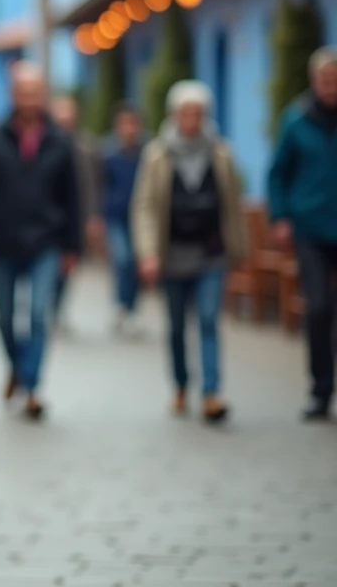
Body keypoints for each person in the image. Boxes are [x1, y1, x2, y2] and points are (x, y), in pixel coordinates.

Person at [0, 62, 81, 420]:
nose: (29, 98)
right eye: (22, 91)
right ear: (13, 94)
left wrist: (73, 247)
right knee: (3, 317)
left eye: (35, 91)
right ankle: (17, 367)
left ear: (42, 94)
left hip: (46, 242)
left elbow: (73, 196)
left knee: (38, 316)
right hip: (4, 241)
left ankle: (31, 386)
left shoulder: (60, 142)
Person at [131, 80, 247, 423]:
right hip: (173, 253)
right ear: (174, 115)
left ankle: (211, 393)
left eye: (197, 113)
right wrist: (148, 253)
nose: (191, 120)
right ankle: (182, 384)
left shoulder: (221, 153)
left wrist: (239, 249)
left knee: (209, 320)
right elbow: (145, 205)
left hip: (211, 252)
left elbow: (232, 204)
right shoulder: (157, 154)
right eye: (185, 113)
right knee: (178, 326)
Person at [268, 46, 337, 421]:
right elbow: (278, 173)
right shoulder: (296, 121)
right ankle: (321, 390)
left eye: (335, 79)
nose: (331, 86)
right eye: (325, 79)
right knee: (319, 307)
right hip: (310, 227)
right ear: (315, 81)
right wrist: (281, 216)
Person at [48, 95, 103, 330]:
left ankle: (56, 308)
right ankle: (46, 309)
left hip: (76, 218)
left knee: (67, 268)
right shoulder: (44, 145)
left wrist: (92, 217)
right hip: (48, 220)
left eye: (68, 118)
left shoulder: (86, 146)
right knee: (47, 267)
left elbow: (94, 184)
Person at [101, 104, 146, 328]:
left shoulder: (146, 153)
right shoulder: (108, 153)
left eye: (132, 123)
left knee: (136, 262)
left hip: (140, 219)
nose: (128, 129)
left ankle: (131, 308)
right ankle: (121, 304)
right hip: (115, 217)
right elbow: (101, 185)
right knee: (122, 259)